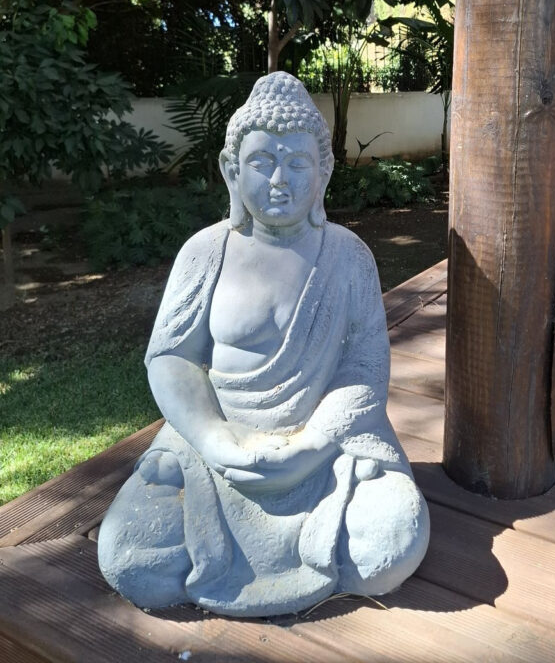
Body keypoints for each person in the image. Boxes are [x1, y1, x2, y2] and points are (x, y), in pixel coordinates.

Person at [97, 72, 429, 617]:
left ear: (323, 172)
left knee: (391, 542)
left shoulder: (348, 256)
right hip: (217, 449)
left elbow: (365, 365)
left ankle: (323, 528)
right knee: (132, 559)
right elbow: (172, 356)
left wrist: (313, 444)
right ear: (231, 171)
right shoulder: (205, 252)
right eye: (261, 163)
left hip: (327, 451)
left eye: (297, 163)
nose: (280, 180)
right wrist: (212, 437)